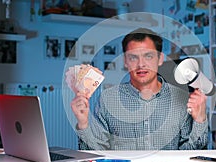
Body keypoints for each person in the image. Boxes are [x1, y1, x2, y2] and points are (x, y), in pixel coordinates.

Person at [71, 28, 208, 150]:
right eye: (133, 57)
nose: (141, 64)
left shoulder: (182, 99)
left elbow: (190, 155)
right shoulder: (107, 99)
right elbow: (95, 154)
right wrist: (83, 124)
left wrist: (200, 120)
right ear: (125, 61)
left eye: (148, 56)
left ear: (160, 59)